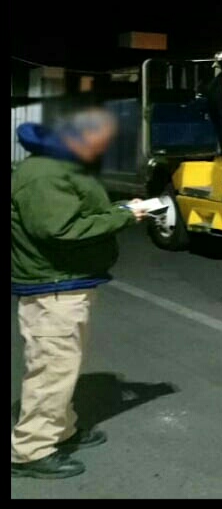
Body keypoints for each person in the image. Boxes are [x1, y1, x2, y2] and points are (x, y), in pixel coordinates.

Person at [11, 109, 147, 479]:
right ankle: (30, 451)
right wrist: (123, 216)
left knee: (62, 368)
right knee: (51, 370)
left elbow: (73, 215)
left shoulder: (54, 169)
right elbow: (58, 229)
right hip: (54, 286)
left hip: (63, 284)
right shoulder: (45, 175)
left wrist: (118, 210)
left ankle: (61, 430)